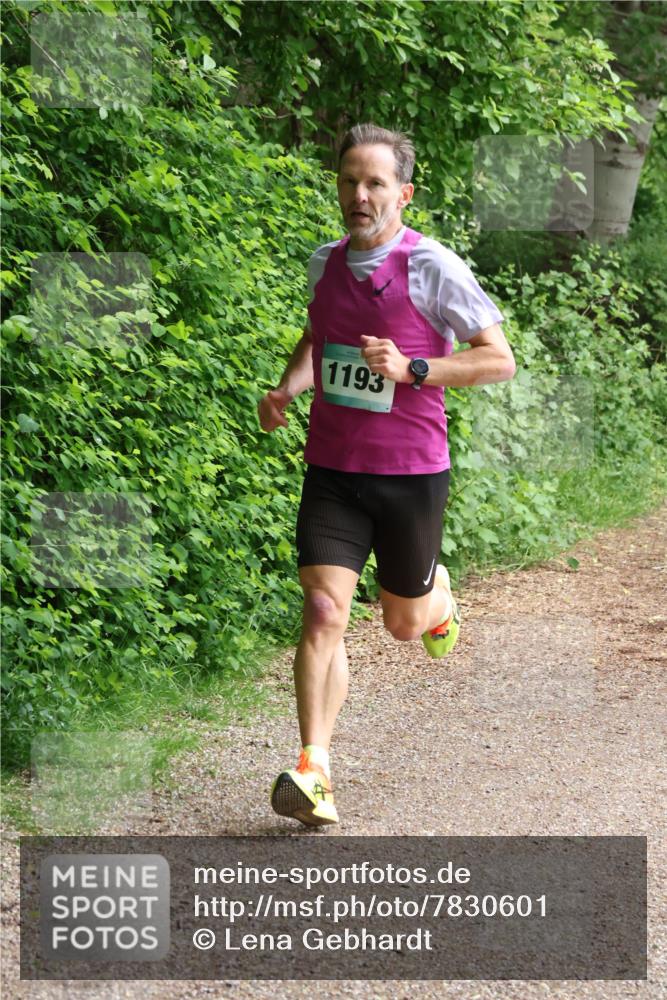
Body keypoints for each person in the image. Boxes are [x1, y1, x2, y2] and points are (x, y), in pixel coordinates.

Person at [258, 122, 515, 828]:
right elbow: (318, 337)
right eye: (349, 181)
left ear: (402, 194)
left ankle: (435, 595)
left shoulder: (432, 267)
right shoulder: (324, 263)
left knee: (402, 626)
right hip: (333, 470)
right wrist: (289, 388)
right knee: (321, 612)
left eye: (374, 183)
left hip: (409, 473)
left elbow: (498, 359)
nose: (359, 195)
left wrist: (414, 368)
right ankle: (314, 770)